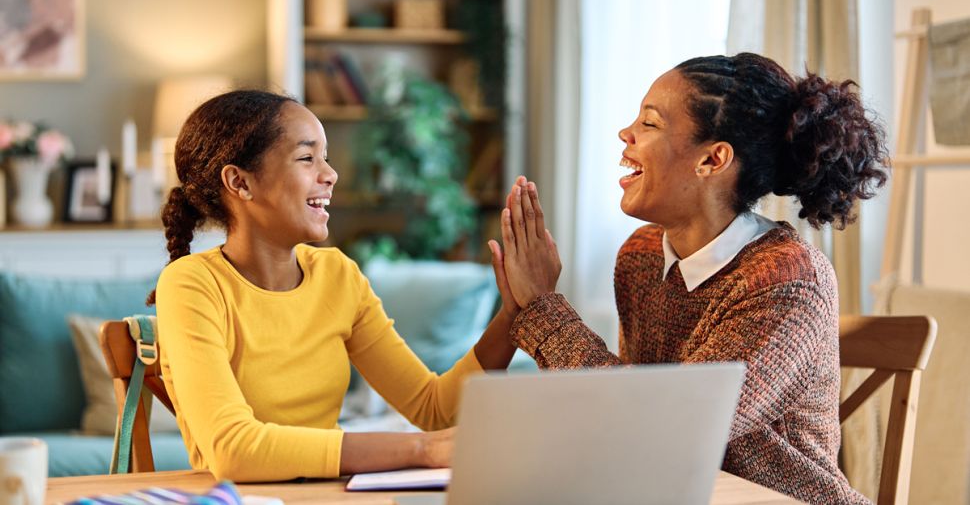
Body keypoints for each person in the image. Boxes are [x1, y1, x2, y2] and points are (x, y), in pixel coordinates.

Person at [489, 53, 888, 504]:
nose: (626, 134)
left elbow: (666, 430)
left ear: (712, 159)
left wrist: (543, 310)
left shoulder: (789, 282)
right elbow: (632, 422)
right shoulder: (639, 257)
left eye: (650, 124)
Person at [148, 90, 519, 482]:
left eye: (326, 157)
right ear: (239, 182)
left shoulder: (338, 275)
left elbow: (434, 408)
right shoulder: (191, 285)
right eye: (307, 158)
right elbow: (234, 450)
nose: (330, 174)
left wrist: (513, 314)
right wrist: (421, 449)